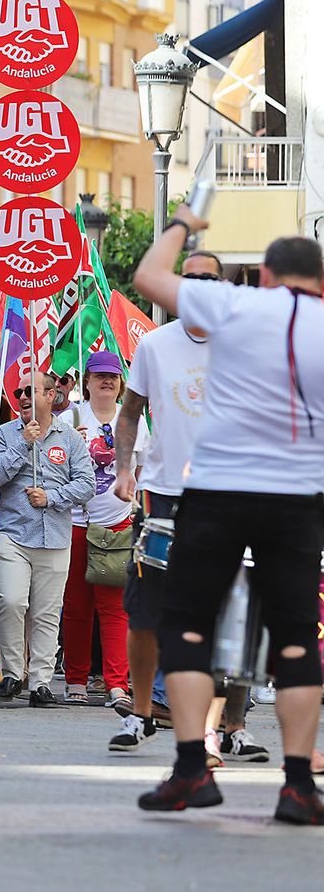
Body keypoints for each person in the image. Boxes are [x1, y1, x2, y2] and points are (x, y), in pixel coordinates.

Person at [132, 214, 324, 823]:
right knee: (296, 636)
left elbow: (148, 276)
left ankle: (192, 767)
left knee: (186, 624)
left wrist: (184, 224)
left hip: (218, 491)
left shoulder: (234, 307)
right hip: (297, 498)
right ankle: (298, 784)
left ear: (264, 275)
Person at [107, 252, 262, 757]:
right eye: (188, 278)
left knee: (233, 611)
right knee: (147, 611)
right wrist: (125, 470)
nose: (197, 286)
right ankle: (141, 713)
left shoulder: (243, 345)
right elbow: (130, 413)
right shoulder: (153, 344)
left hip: (230, 493)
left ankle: (234, 727)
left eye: (208, 279)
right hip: (165, 493)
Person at [0, 370, 94, 706]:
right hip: (14, 534)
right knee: (12, 602)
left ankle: (42, 683)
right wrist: (24, 443)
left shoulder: (71, 439)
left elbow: (87, 484)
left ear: (51, 396)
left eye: (31, 391)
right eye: (19, 393)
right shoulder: (5, 434)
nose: (24, 398)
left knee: (47, 613)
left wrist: (53, 497)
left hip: (56, 537)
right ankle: (13, 675)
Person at [61, 351, 133, 710]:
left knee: (115, 607)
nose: (107, 381)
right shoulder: (70, 417)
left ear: (121, 385)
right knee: (77, 605)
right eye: (100, 375)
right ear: (86, 382)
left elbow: (145, 468)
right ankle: (76, 679)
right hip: (74, 522)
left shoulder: (132, 420)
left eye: (114, 377)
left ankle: (116, 683)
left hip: (117, 525)